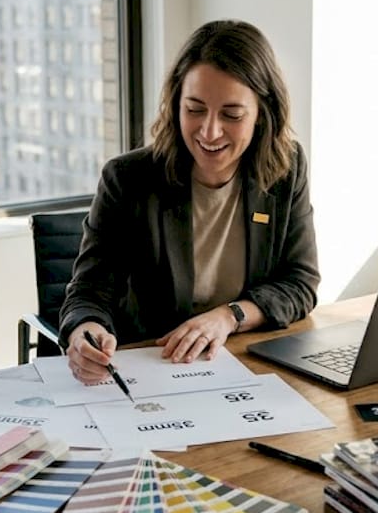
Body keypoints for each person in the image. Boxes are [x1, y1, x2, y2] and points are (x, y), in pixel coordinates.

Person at [59, 19, 320, 384]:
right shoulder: (128, 180)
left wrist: (229, 316)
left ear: (262, 113)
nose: (209, 131)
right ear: (175, 104)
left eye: (231, 115)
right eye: (194, 109)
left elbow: (299, 282)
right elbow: (88, 292)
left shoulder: (286, 169)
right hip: (153, 371)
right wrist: (83, 331)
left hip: (245, 365)